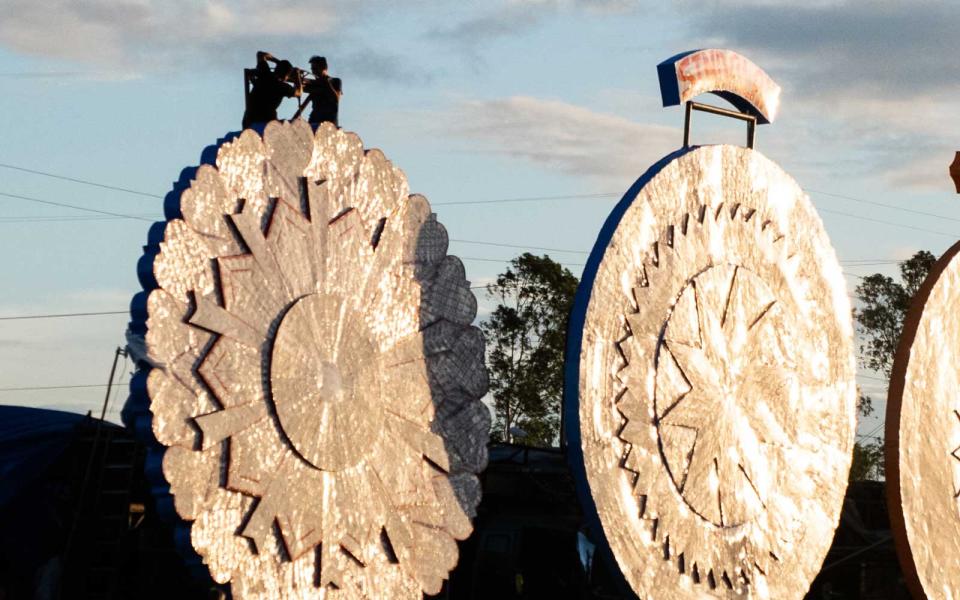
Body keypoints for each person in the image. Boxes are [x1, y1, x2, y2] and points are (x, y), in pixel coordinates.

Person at [242, 51, 300, 129]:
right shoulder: (282, 86)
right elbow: (299, 92)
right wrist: (297, 76)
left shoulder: (264, 73)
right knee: (290, 125)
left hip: (248, 121)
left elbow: (261, 54)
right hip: (267, 123)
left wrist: (278, 62)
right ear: (286, 76)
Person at [294, 56, 341, 127]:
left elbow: (336, 99)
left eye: (315, 69)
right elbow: (298, 90)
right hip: (314, 120)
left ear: (324, 68)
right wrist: (297, 78)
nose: (313, 72)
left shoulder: (335, 81)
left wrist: (326, 82)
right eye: (312, 69)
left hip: (329, 123)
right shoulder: (314, 83)